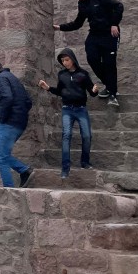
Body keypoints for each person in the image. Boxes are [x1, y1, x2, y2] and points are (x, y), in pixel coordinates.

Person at [53, 0, 124, 107]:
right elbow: (78, 23)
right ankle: (109, 86)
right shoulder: (82, 4)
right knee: (92, 59)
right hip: (95, 35)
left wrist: (114, 24)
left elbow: (119, 6)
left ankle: (112, 94)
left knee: (109, 64)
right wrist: (60, 27)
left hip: (109, 34)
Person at [38, 48, 99, 178]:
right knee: (66, 135)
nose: (65, 63)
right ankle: (65, 168)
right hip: (67, 109)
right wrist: (48, 88)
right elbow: (60, 91)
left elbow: (91, 92)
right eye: (62, 61)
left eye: (67, 60)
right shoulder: (62, 75)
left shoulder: (83, 74)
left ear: (73, 59)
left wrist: (95, 91)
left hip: (81, 109)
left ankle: (85, 162)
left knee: (87, 136)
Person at [0, 58, 34, 188]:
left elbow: (7, 97)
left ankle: (9, 189)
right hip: (19, 123)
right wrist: (19, 115)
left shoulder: (1, 78)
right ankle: (24, 170)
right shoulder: (12, 78)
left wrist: (2, 118)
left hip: (9, 123)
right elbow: (28, 101)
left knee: (0, 157)